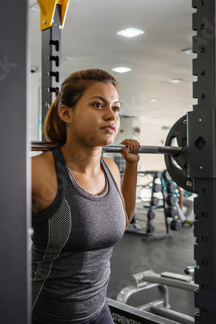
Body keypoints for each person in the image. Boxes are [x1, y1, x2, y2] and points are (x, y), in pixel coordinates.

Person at [31, 69, 140, 324]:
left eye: (115, 107)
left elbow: (122, 220)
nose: (111, 115)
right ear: (66, 113)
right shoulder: (38, 171)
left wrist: (132, 166)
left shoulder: (111, 169)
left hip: (99, 312)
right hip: (47, 315)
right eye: (97, 105)